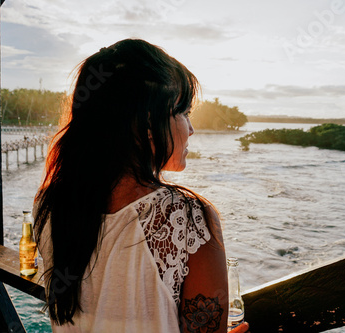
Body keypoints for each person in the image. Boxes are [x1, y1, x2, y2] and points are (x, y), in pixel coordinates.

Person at [34, 39, 250, 333]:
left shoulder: (50, 202)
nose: (191, 128)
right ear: (148, 123)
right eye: (183, 113)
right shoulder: (189, 218)